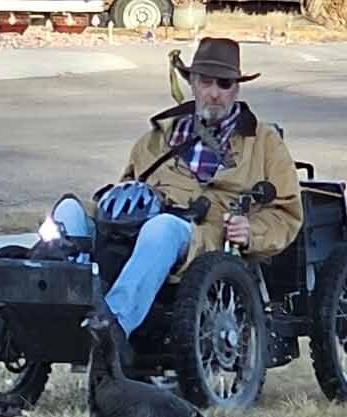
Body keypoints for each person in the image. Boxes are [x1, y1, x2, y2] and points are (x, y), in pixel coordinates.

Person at [45, 37, 305, 357]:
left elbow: (286, 212)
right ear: (192, 83)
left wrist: (252, 231)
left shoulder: (264, 142)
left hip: (208, 233)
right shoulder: (157, 138)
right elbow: (129, 185)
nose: (214, 93)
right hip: (143, 222)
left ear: (236, 88)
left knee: (163, 229)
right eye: (205, 82)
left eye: (224, 84)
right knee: (69, 212)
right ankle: (59, 308)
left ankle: (111, 326)